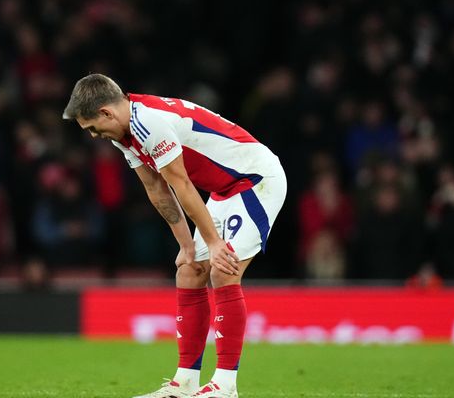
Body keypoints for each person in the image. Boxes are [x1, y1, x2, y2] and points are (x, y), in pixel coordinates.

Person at [63, 74, 287, 398]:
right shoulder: (124, 134)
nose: (96, 136)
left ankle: (225, 386)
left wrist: (212, 243)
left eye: (94, 128)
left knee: (224, 269)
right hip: (224, 190)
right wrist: (186, 245)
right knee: (190, 271)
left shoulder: (148, 122)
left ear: (106, 113)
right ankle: (185, 383)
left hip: (255, 180)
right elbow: (157, 189)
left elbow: (180, 183)